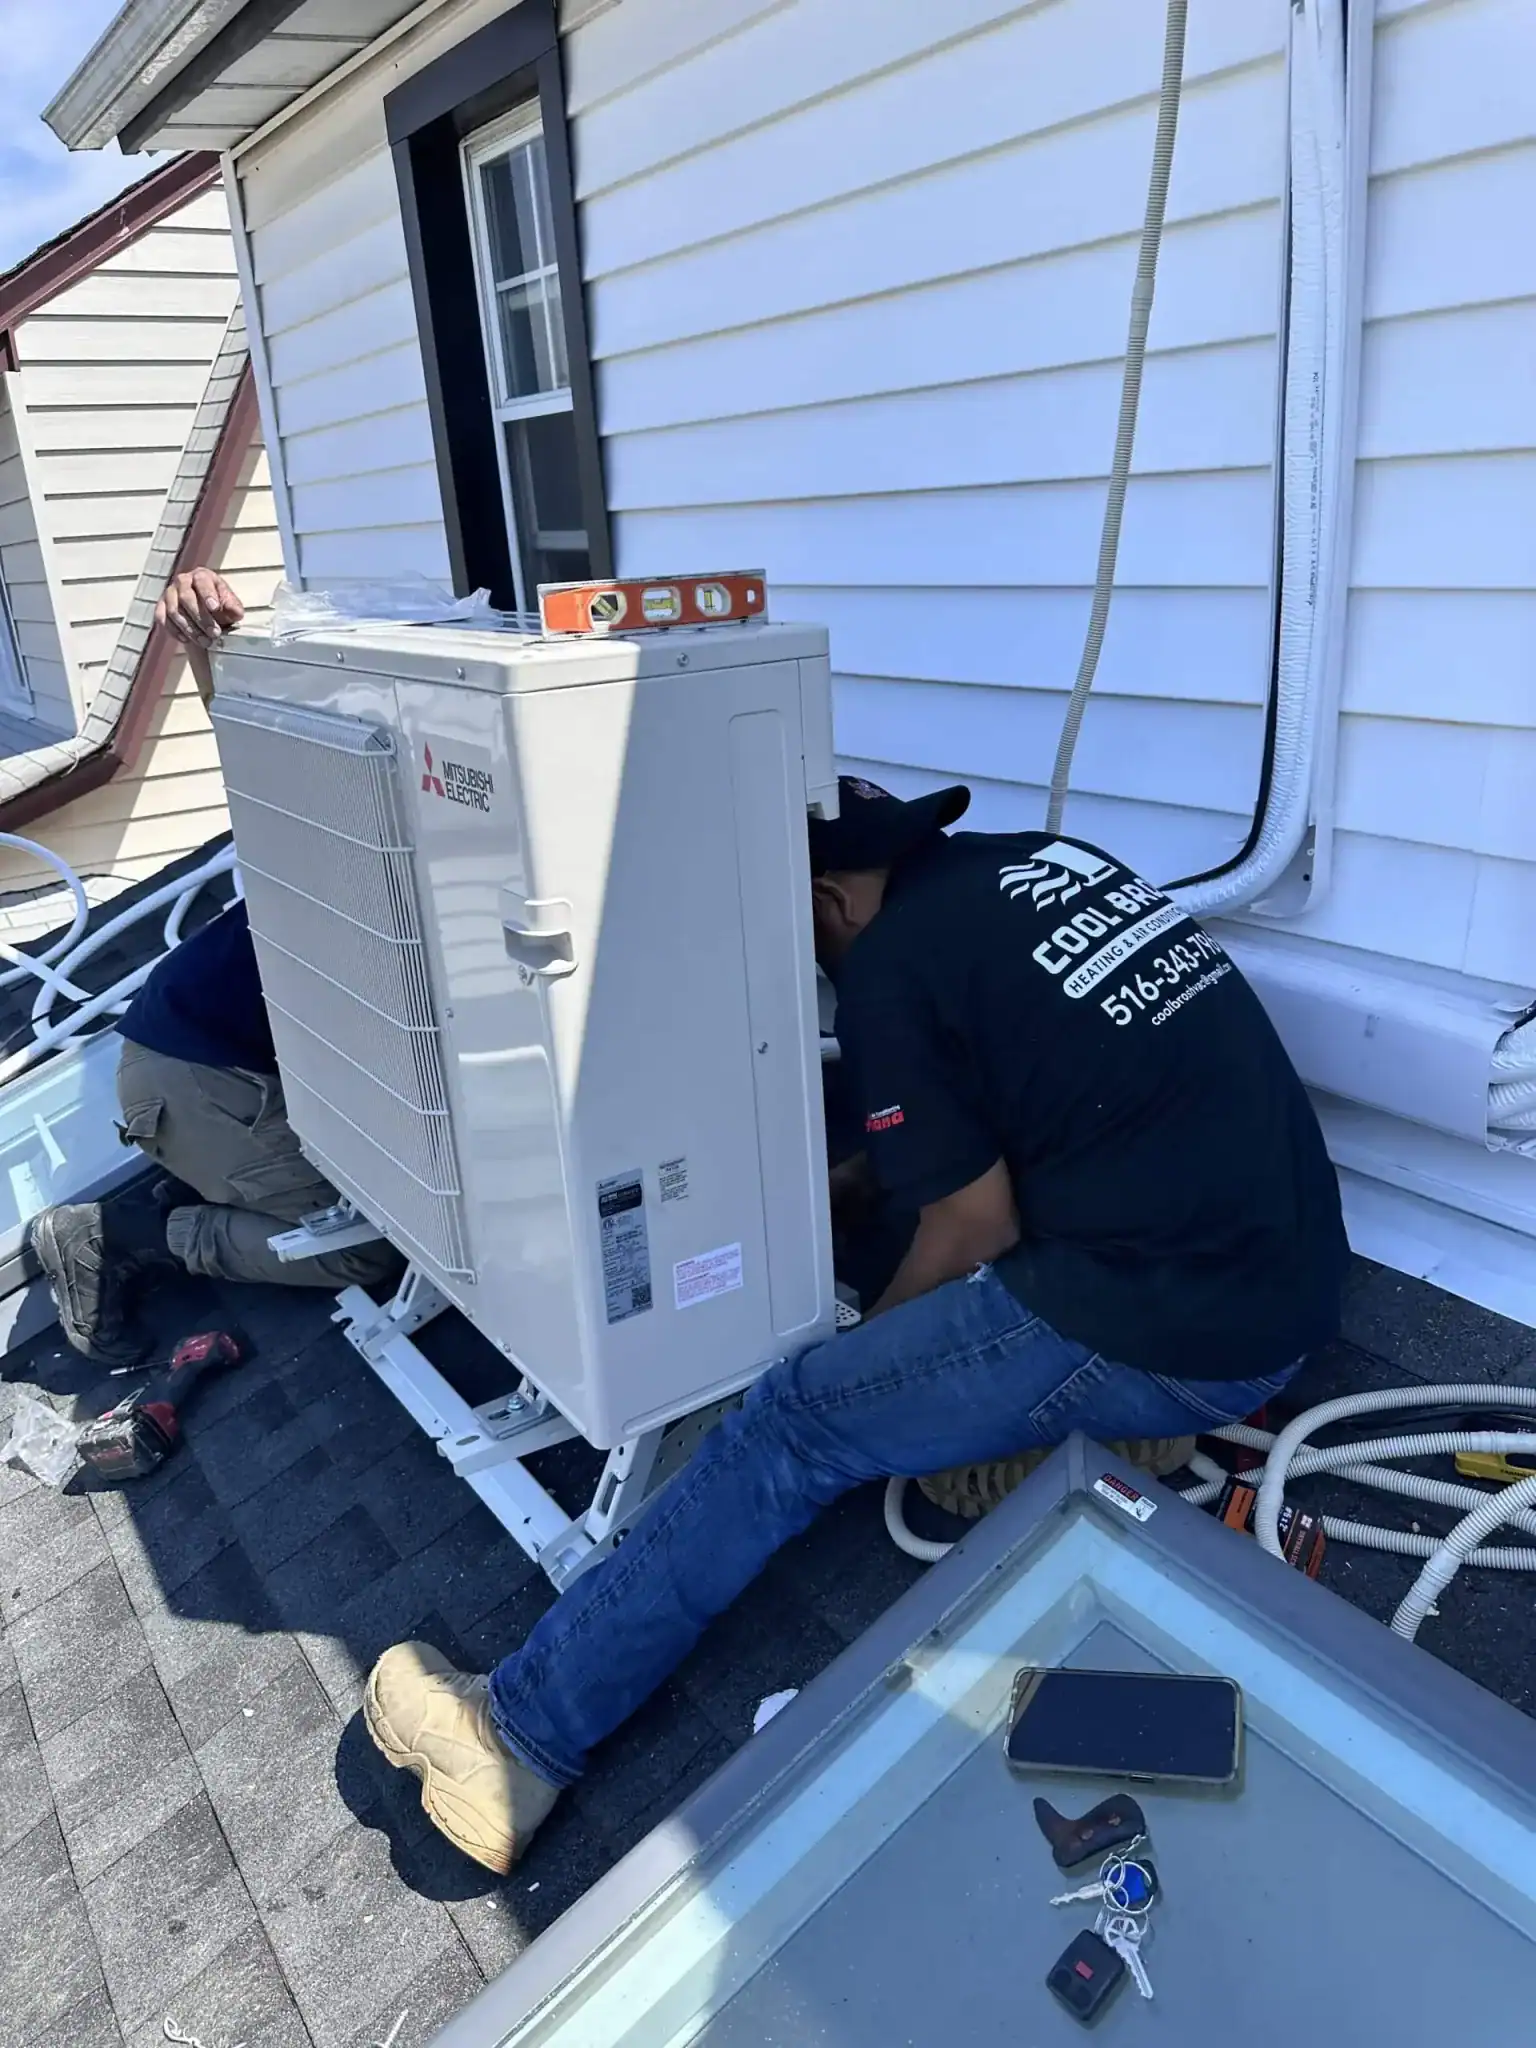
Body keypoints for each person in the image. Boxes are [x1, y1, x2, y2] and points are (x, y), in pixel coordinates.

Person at [363, 777, 1349, 1874]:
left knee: (792, 1420)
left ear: (831, 898)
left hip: (1174, 1324)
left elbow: (974, 1225)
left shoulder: (887, 971)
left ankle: (516, 1739)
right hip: (1283, 1277)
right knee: (894, 1323)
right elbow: (1011, 1088)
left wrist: (856, 1361)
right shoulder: (1036, 865)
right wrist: (861, 1181)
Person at [30, 568, 398, 1369]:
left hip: (213, 1068)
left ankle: (216, 1179)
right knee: (368, 1249)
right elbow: (260, 758)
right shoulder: (346, 850)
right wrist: (210, 645)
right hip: (196, 1077)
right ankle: (123, 1236)